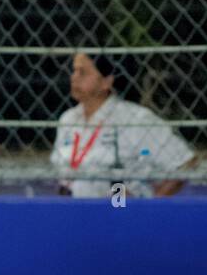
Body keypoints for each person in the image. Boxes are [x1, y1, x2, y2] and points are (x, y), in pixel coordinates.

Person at [51, 52, 196, 198]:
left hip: (118, 210)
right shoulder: (68, 119)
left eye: (83, 72)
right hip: (72, 209)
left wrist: (150, 205)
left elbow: (185, 161)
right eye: (74, 71)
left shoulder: (135, 119)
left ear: (106, 81)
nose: (74, 77)